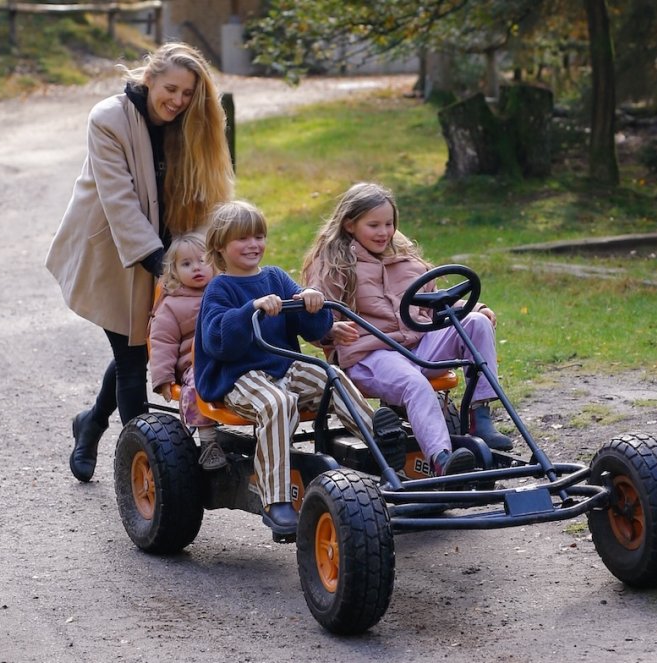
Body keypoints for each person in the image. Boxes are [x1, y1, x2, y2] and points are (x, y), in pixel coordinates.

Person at [45, 43, 234, 483]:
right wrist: (163, 266)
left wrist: (214, 255)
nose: (179, 101)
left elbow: (205, 196)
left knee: (139, 345)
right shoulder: (107, 119)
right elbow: (121, 203)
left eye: (188, 93)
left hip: (171, 250)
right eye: (171, 89)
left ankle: (90, 422)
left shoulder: (189, 121)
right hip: (114, 251)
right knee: (132, 360)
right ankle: (146, 476)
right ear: (149, 77)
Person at [194, 200, 405, 538]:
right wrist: (251, 309)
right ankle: (276, 500)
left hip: (283, 366)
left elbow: (313, 327)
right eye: (242, 239)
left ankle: (383, 446)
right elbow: (219, 342)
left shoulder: (275, 277)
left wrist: (311, 301)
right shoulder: (220, 288)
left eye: (258, 237)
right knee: (278, 403)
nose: (253, 245)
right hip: (237, 376)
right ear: (220, 245)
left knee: (330, 376)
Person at [301, 182, 515, 478]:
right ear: (350, 224)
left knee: (476, 324)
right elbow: (314, 319)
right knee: (415, 383)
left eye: (389, 224)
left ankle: (479, 415)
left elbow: (434, 304)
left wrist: (475, 309)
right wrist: (330, 331)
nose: (383, 232)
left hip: (417, 345)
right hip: (369, 357)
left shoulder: (406, 259)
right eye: (373, 225)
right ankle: (441, 458)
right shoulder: (334, 264)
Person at [147, 233, 225, 470]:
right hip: (195, 365)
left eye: (203, 261)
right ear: (174, 271)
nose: (197, 268)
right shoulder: (172, 305)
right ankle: (208, 440)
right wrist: (163, 379)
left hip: (230, 356)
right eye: (186, 264)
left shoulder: (223, 291)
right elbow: (162, 342)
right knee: (197, 388)